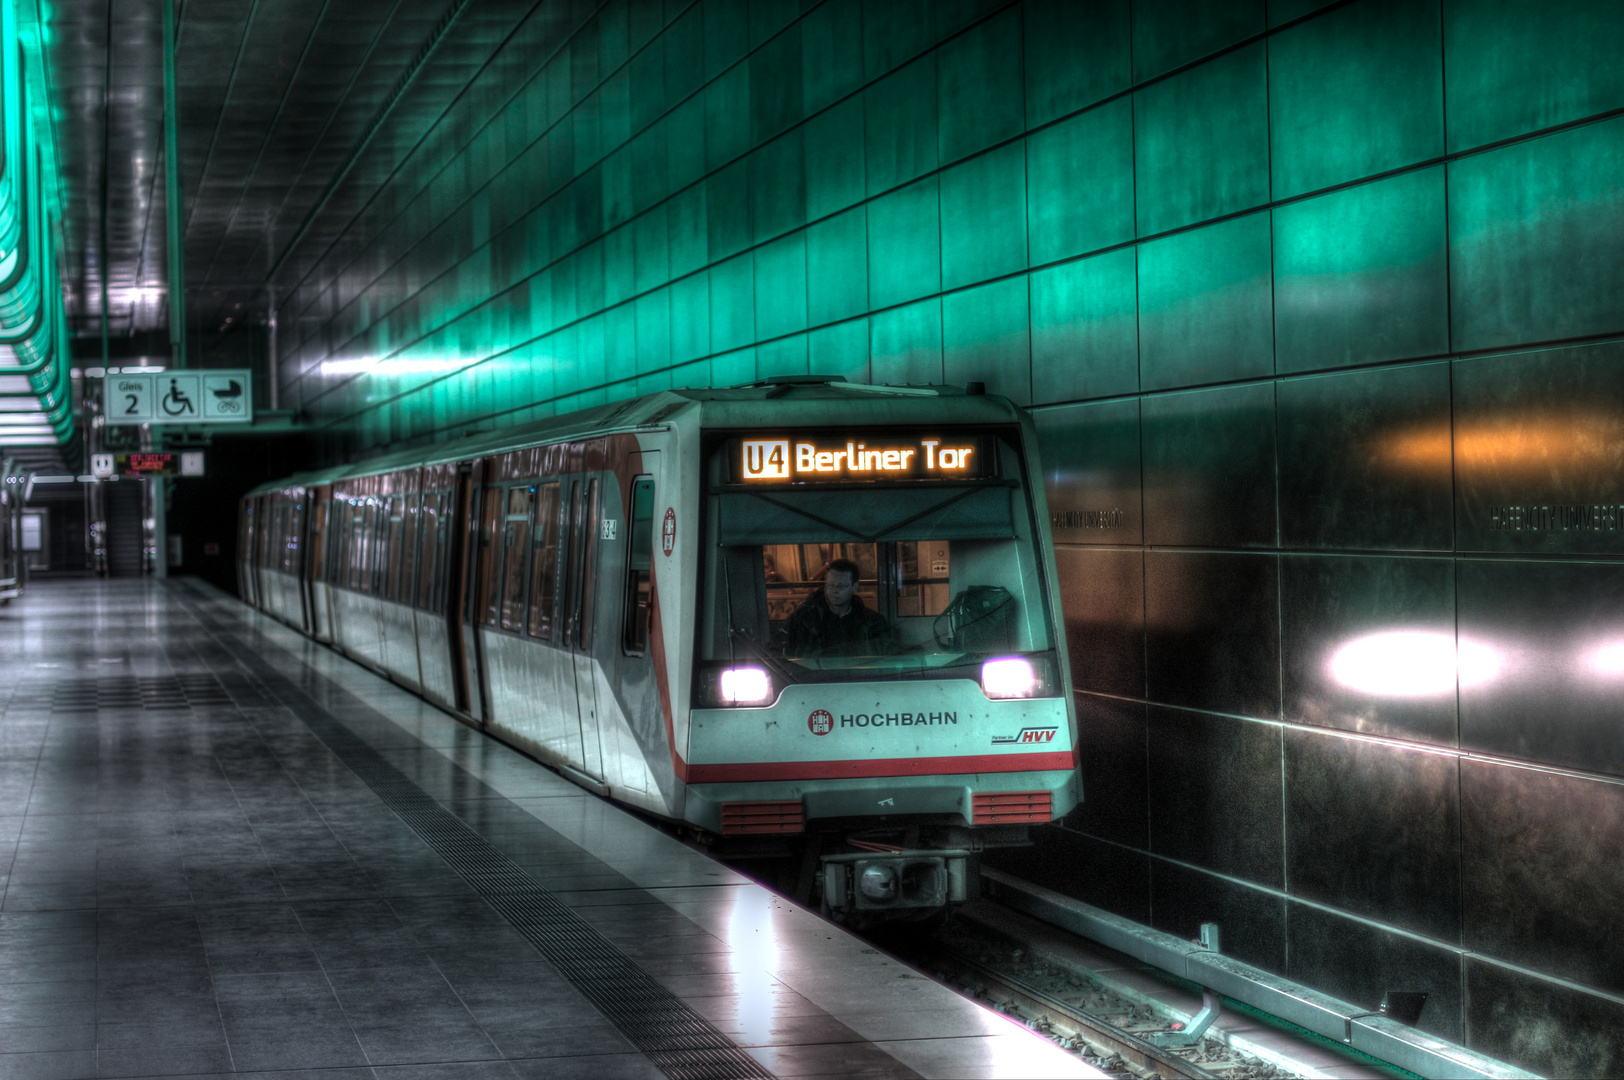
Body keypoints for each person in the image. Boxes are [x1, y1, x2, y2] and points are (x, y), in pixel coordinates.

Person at [781, 558, 891, 657]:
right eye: (830, 585)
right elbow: (783, 652)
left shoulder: (872, 622)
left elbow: (887, 654)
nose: (834, 590)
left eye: (841, 586)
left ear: (854, 587)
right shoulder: (803, 619)